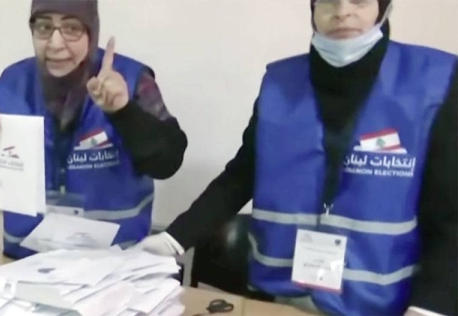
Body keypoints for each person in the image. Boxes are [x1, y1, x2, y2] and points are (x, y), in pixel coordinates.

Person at [136, 0, 457, 315]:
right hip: (279, 298)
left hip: (386, 304)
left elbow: (451, 218)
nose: (342, 11)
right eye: (328, 0)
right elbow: (241, 177)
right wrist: (173, 239)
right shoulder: (280, 84)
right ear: (313, 8)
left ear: (383, 7)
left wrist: (430, 307)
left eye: (359, 0)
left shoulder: (433, 83)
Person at [0, 0, 187, 260]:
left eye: (71, 28)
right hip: (26, 261)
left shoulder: (129, 78)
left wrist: (123, 111)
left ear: (91, 31)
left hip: (113, 266)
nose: (55, 43)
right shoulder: (12, 81)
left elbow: (168, 162)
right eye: (44, 27)